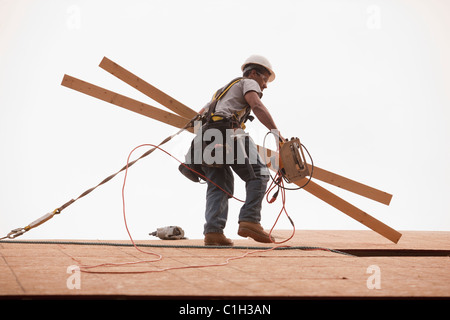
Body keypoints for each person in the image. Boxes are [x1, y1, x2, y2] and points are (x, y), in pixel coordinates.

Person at [182, 55, 283, 246]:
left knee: (219, 183)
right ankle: (250, 220)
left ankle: (213, 232)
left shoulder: (219, 93)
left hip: (207, 137)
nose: (265, 85)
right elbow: (257, 105)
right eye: (264, 79)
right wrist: (276, 134)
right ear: (253, 73)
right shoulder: (248, 83)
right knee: (259, 174)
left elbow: (198, 118)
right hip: (228, 132)